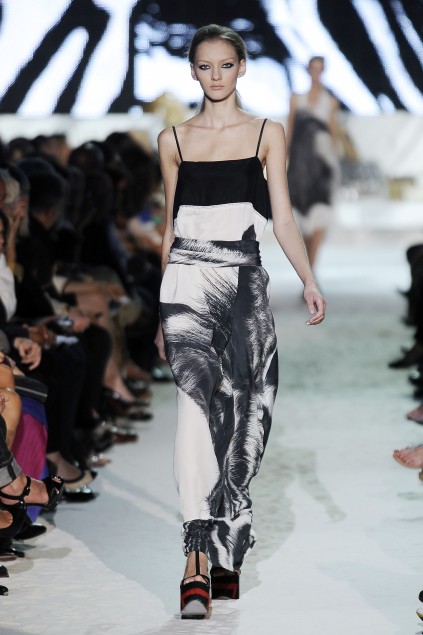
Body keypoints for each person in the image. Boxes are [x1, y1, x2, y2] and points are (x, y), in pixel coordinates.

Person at [154, 24, 326, 619]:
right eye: (205, 66)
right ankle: (196, 557)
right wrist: (158, 310)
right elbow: (170, 227)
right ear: (192, 71)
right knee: (192, 413)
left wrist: (308, 279)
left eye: (226, 65)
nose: (216, 76)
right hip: (185, 284)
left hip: (244, 286)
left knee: (245, 412)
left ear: (243, 67)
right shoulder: (173, 140)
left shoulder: (265, 133)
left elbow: (283, 218)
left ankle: (228, 541)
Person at [286, 56, 339, 268]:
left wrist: (335, 167)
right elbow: (290, 130)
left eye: (320, 69)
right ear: (308, 70)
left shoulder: (330, 102)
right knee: (302, 217)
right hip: (299, 164)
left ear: (324, 71)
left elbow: (332, 132)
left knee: (320, 214)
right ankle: (308, 270)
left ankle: (311, 270)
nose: (316, 73)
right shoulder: (296, 99)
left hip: (321, 164)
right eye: (313, 68)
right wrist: (284, 159)